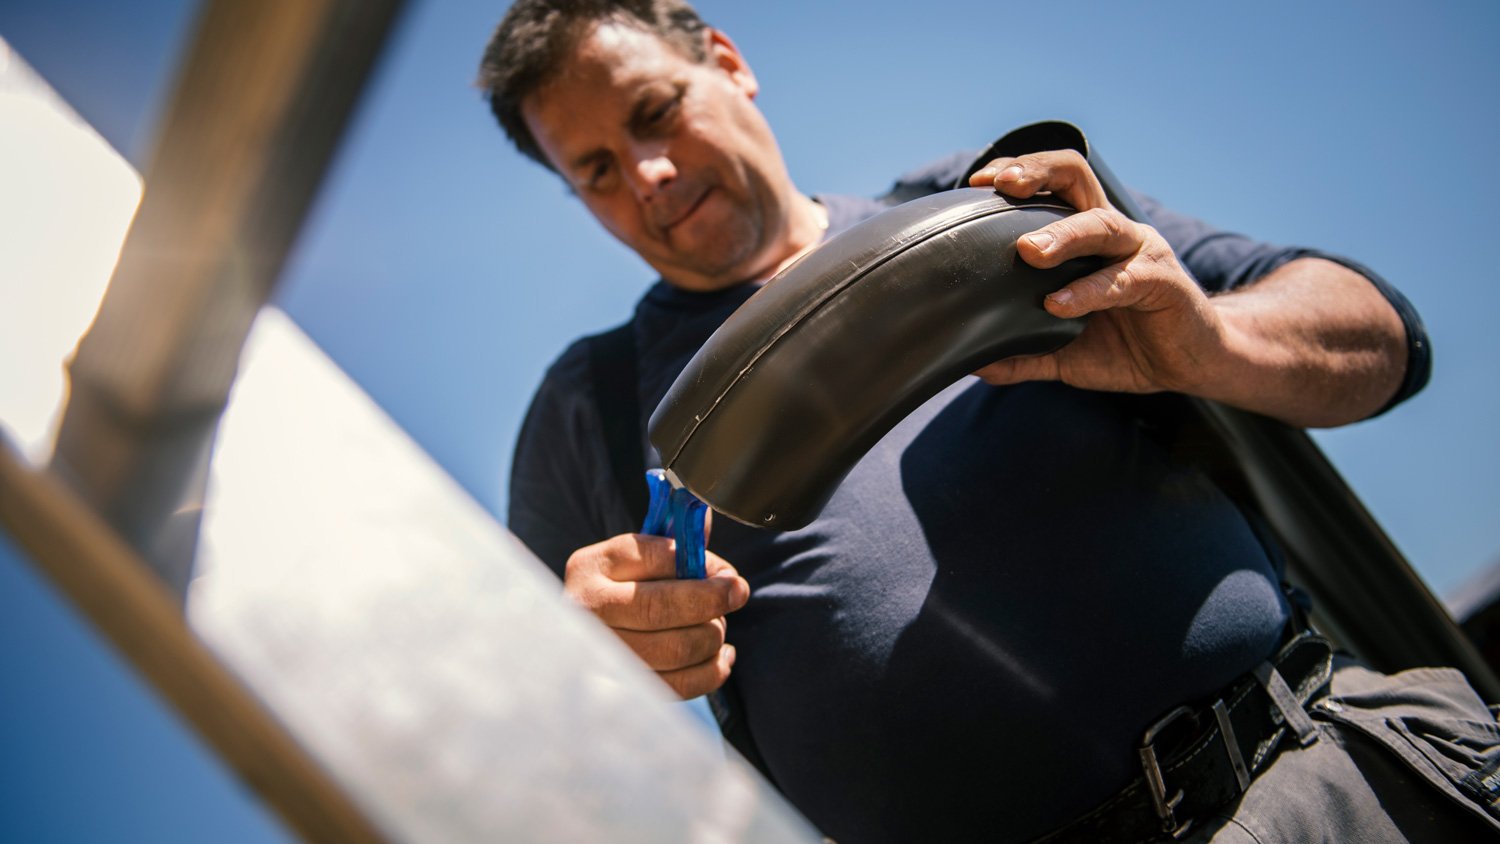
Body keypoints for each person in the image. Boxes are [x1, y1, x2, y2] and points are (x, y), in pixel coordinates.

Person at [479, 2, 1500, 841]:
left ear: (730, 63)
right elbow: (524, 739)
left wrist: (1208, 343)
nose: (647, 175)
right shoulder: (595, 411)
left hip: (1330, 782)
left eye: (655, 112)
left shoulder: (992, 204)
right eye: (598, 171)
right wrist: (584, 658)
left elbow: (1384, 342)